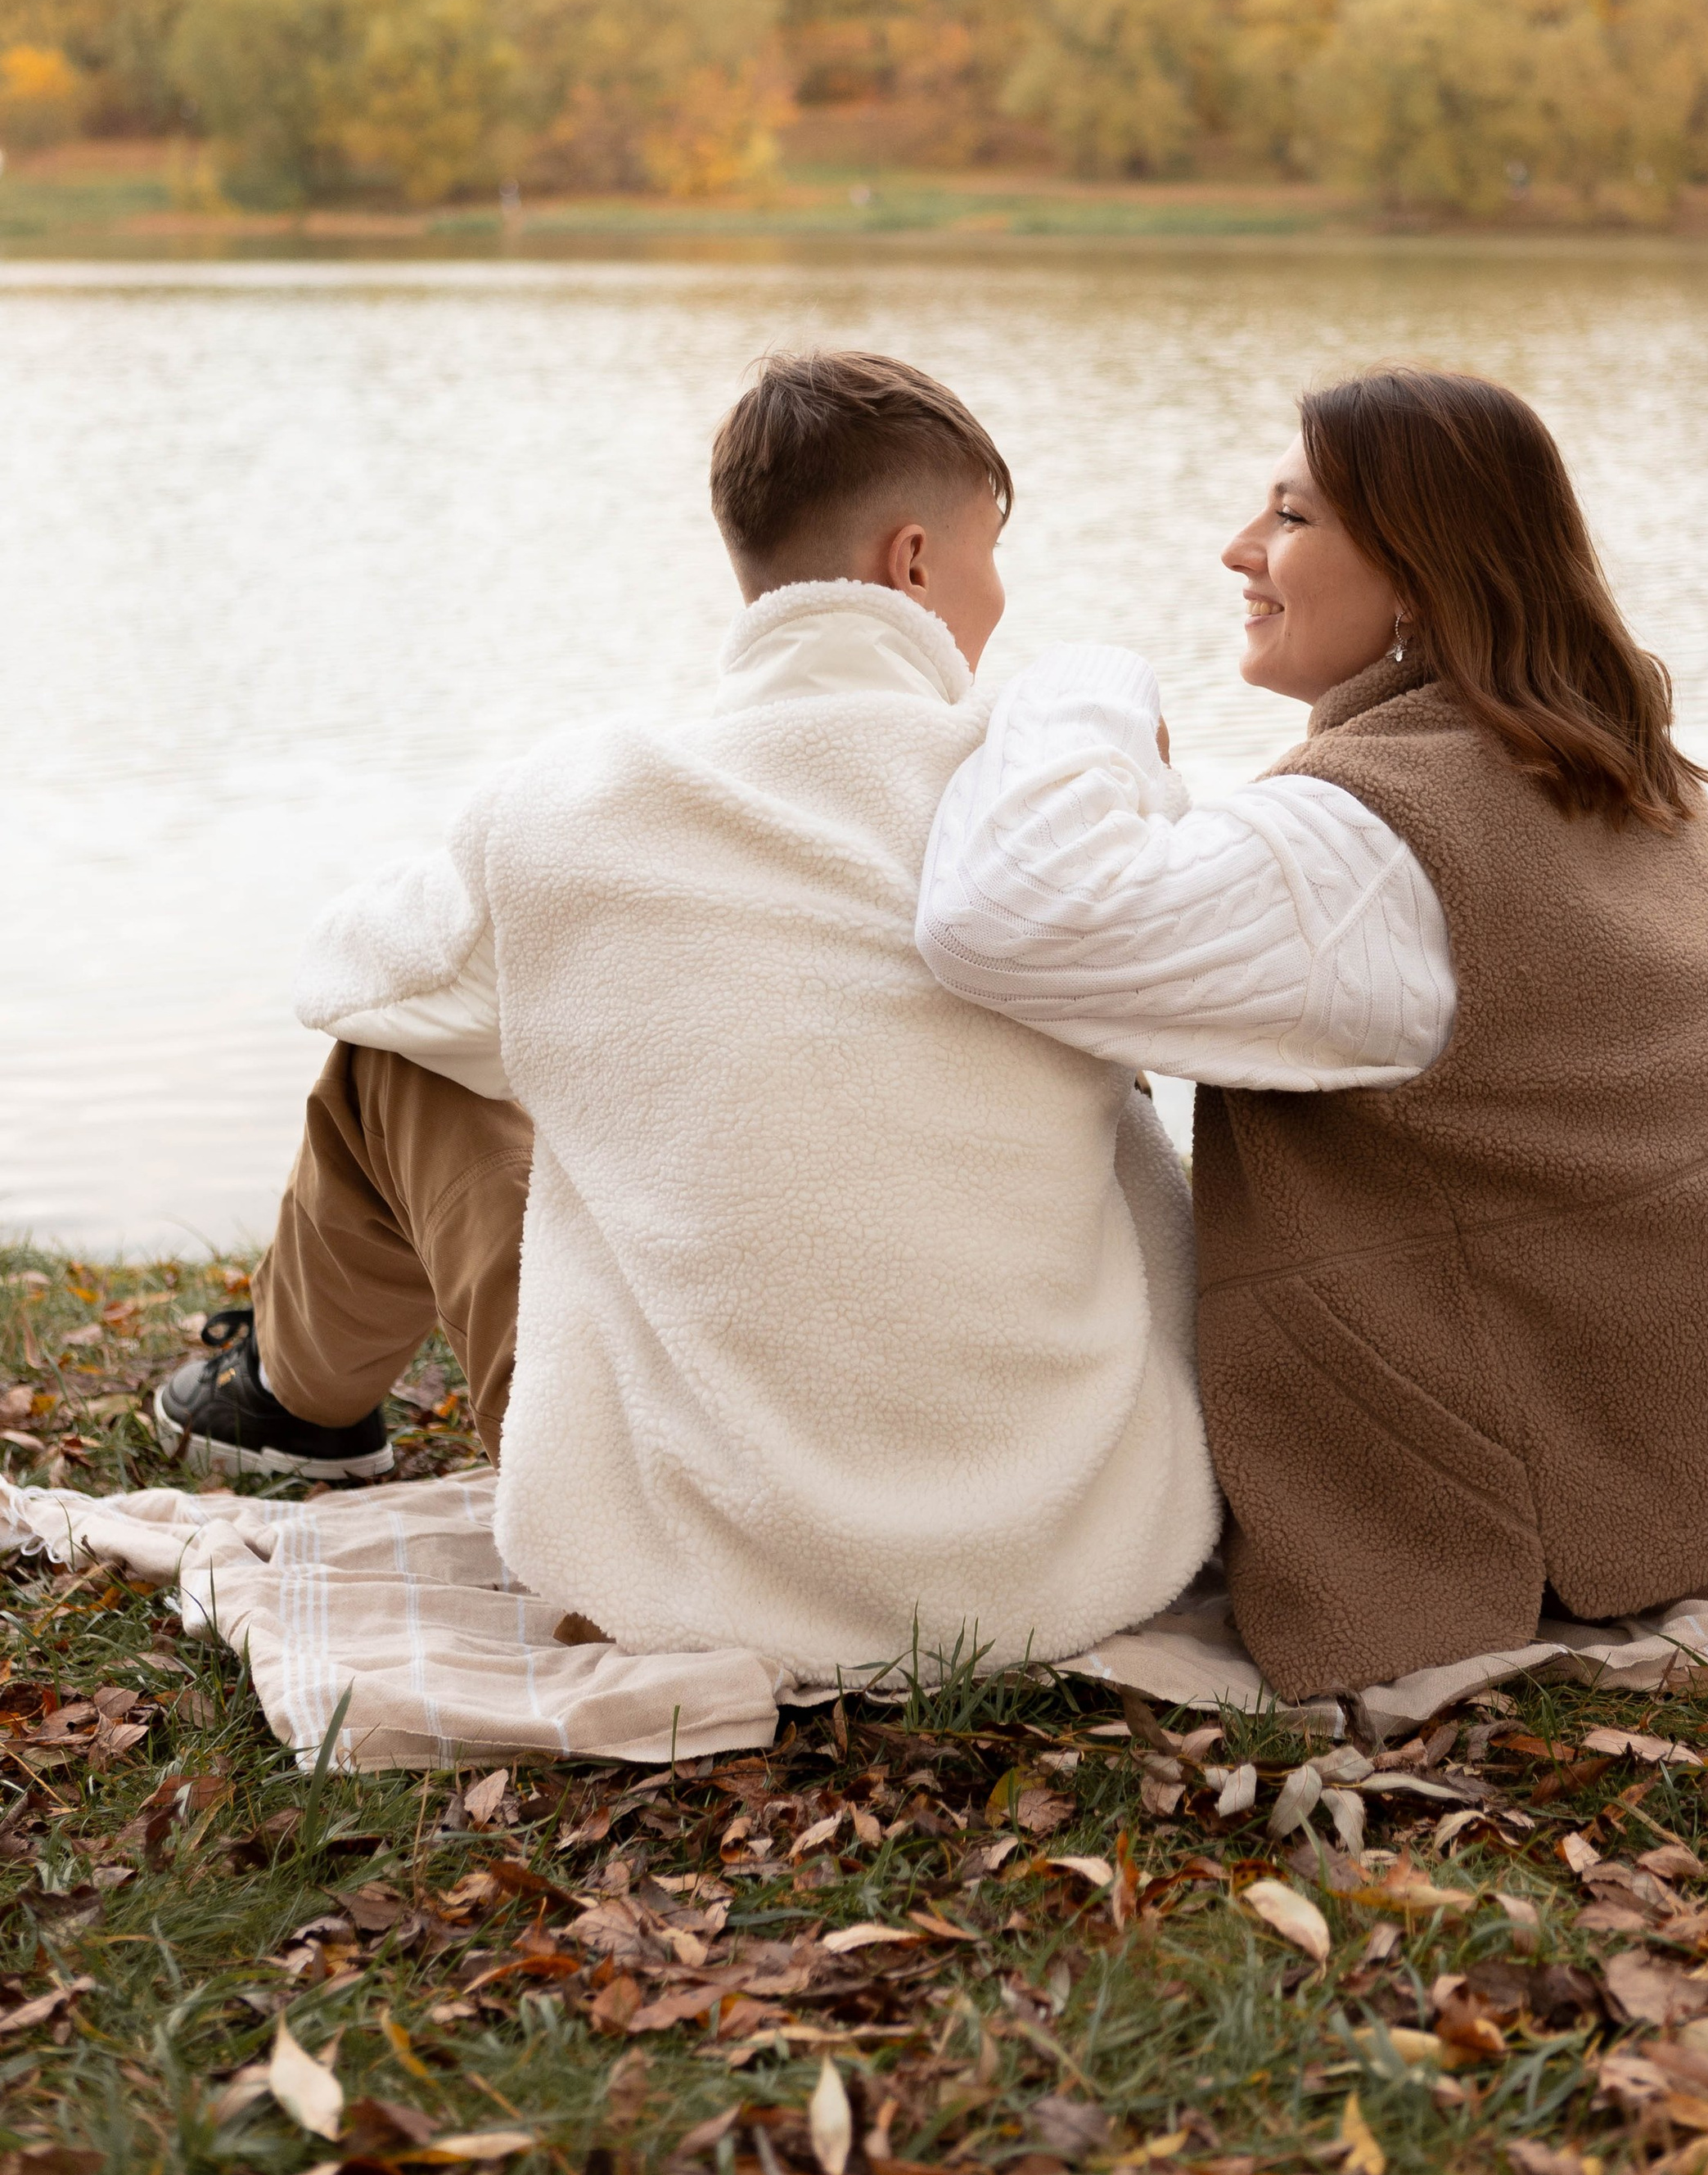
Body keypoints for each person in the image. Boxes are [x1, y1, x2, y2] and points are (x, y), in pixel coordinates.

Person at [155, 351, 1216, 1681]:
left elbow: (346, 976)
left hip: (688, 1568)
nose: (1002, 599)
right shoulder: (1052, 800)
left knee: (403, 1061)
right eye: (992, 554)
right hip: (1065, 1549)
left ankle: (291, 1405)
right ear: (914, 561)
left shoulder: (585, 802)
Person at [917, 364, 1708, 1701]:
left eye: (1290, 519)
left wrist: (1080, 688)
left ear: (1417, 573)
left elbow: (1008, 916)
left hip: (1696, 1498)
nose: (1239, 549)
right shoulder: (1586, 746)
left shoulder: (1371, 850)